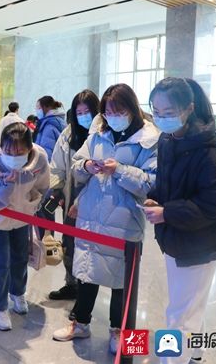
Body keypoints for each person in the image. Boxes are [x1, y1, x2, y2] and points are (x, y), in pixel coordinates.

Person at [52, 84, 159, 356]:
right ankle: (81, 322)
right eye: (108, 111)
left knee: (122, 280)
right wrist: (87, 166)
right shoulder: (98, 133)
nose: (112, 116)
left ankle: (119, 331)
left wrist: (120, 170)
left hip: (124, 221)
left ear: (132, 110)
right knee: (87, 271)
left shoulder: (148, 140)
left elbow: (151, 182)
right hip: (91, 216)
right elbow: (77, 165)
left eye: (119, 110)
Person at [145, 77, 216, 364]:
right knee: (190, 305)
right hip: (179, 237)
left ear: (188, 109)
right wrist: (154, 197)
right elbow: (169, 185)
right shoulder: (170, 141)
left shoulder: (207, 151)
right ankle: (195, 355)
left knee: (180, 315)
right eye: (156, 112)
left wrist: (167, 212)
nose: (161, 119)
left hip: (199, 242)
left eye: (168, 113)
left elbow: (213, 205)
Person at [0, 122, 49, 331]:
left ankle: (18, 293)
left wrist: (31, 202)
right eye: (8, 150)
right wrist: (2, 185)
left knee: (21, 257)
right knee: (1, 261)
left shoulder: (39, 158)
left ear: (29, 148)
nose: (13, 155)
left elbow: (43, 185)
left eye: (20, 151)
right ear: (1, 146)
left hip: (22, 217)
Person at [47, 89, 100, 307]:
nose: (83, 116)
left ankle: (85, 300)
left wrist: (81, 202)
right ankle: (72, 284)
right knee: (69, 243)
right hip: (70, 200)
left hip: (95, 203)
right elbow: (57, 167)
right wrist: (57, 192)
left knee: (89, 251)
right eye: (79, 112)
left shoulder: (103, 135)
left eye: (87, 111)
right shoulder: (68, 135)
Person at [34, 95, 66, 161]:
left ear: (46, 107)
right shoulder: (60, 121)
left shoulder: (48, 126)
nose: (37, 111)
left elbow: (47, 152)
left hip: (47, 167)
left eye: (39, 108)